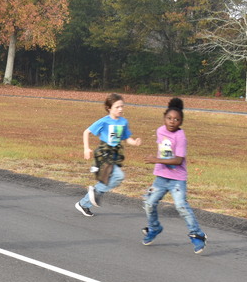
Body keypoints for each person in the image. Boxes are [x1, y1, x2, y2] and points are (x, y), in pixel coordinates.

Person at [141, 98, 207, 254]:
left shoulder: (181, 137)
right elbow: (164, 149)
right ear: (164, 118)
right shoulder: (160, 131)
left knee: (181, 206)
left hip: (177, 179)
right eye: (169, 118)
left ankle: (197, 234)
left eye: (176, 119)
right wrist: (159, 162)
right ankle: (154, 227)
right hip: (161, 177)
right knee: (149, 203)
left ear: (181, 121)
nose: (172, 122)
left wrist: (155, 160)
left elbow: (178, 160)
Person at [75, 93, 142, 217]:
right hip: (104, 154)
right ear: (109, 108)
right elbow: (86, 132)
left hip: (115, 155)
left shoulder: (123, 122)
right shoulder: (104, 121)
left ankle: (84, 204)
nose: (120, 109)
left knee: (107, 181)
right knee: (118, 176)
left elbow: (127, 138)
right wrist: (86, 148)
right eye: (117, 107)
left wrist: (135, 142)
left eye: (122, 106)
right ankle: (95, 191)